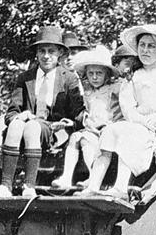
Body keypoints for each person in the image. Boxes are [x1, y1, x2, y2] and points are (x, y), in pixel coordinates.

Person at [80, 23, 156, 198]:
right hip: (139, 122)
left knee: (131, 134)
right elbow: (128, 109)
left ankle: (121, 187)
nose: (145, 50)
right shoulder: (133, 77)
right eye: (142, 45)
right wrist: (144, 121)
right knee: (111, 130)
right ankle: (94, 184)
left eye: (151, 46)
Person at [0, 25, 84, 198]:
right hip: (25, 130)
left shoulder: (69, 78)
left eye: (51, 51)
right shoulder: (25, 78)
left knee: (33, 127)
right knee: (16, 124)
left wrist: (72, 123)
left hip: (53, 131)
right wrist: (20, 115)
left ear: (59, 53)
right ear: (36, 53)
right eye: (42, 51)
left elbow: (78, 112)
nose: (46, 56)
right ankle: (5, 186)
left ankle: (29, 186)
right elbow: (10, 113)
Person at [52, 45, 122, 189]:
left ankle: (93, 176)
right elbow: (86, 111)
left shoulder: (114, 89)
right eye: (91, 74)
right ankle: (66, 176)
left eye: (99, 73)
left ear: (107, 74)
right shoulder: (88, 91)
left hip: (107, 131)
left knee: (86, 141)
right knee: (76, 138)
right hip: (91, 129)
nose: (95, 77)